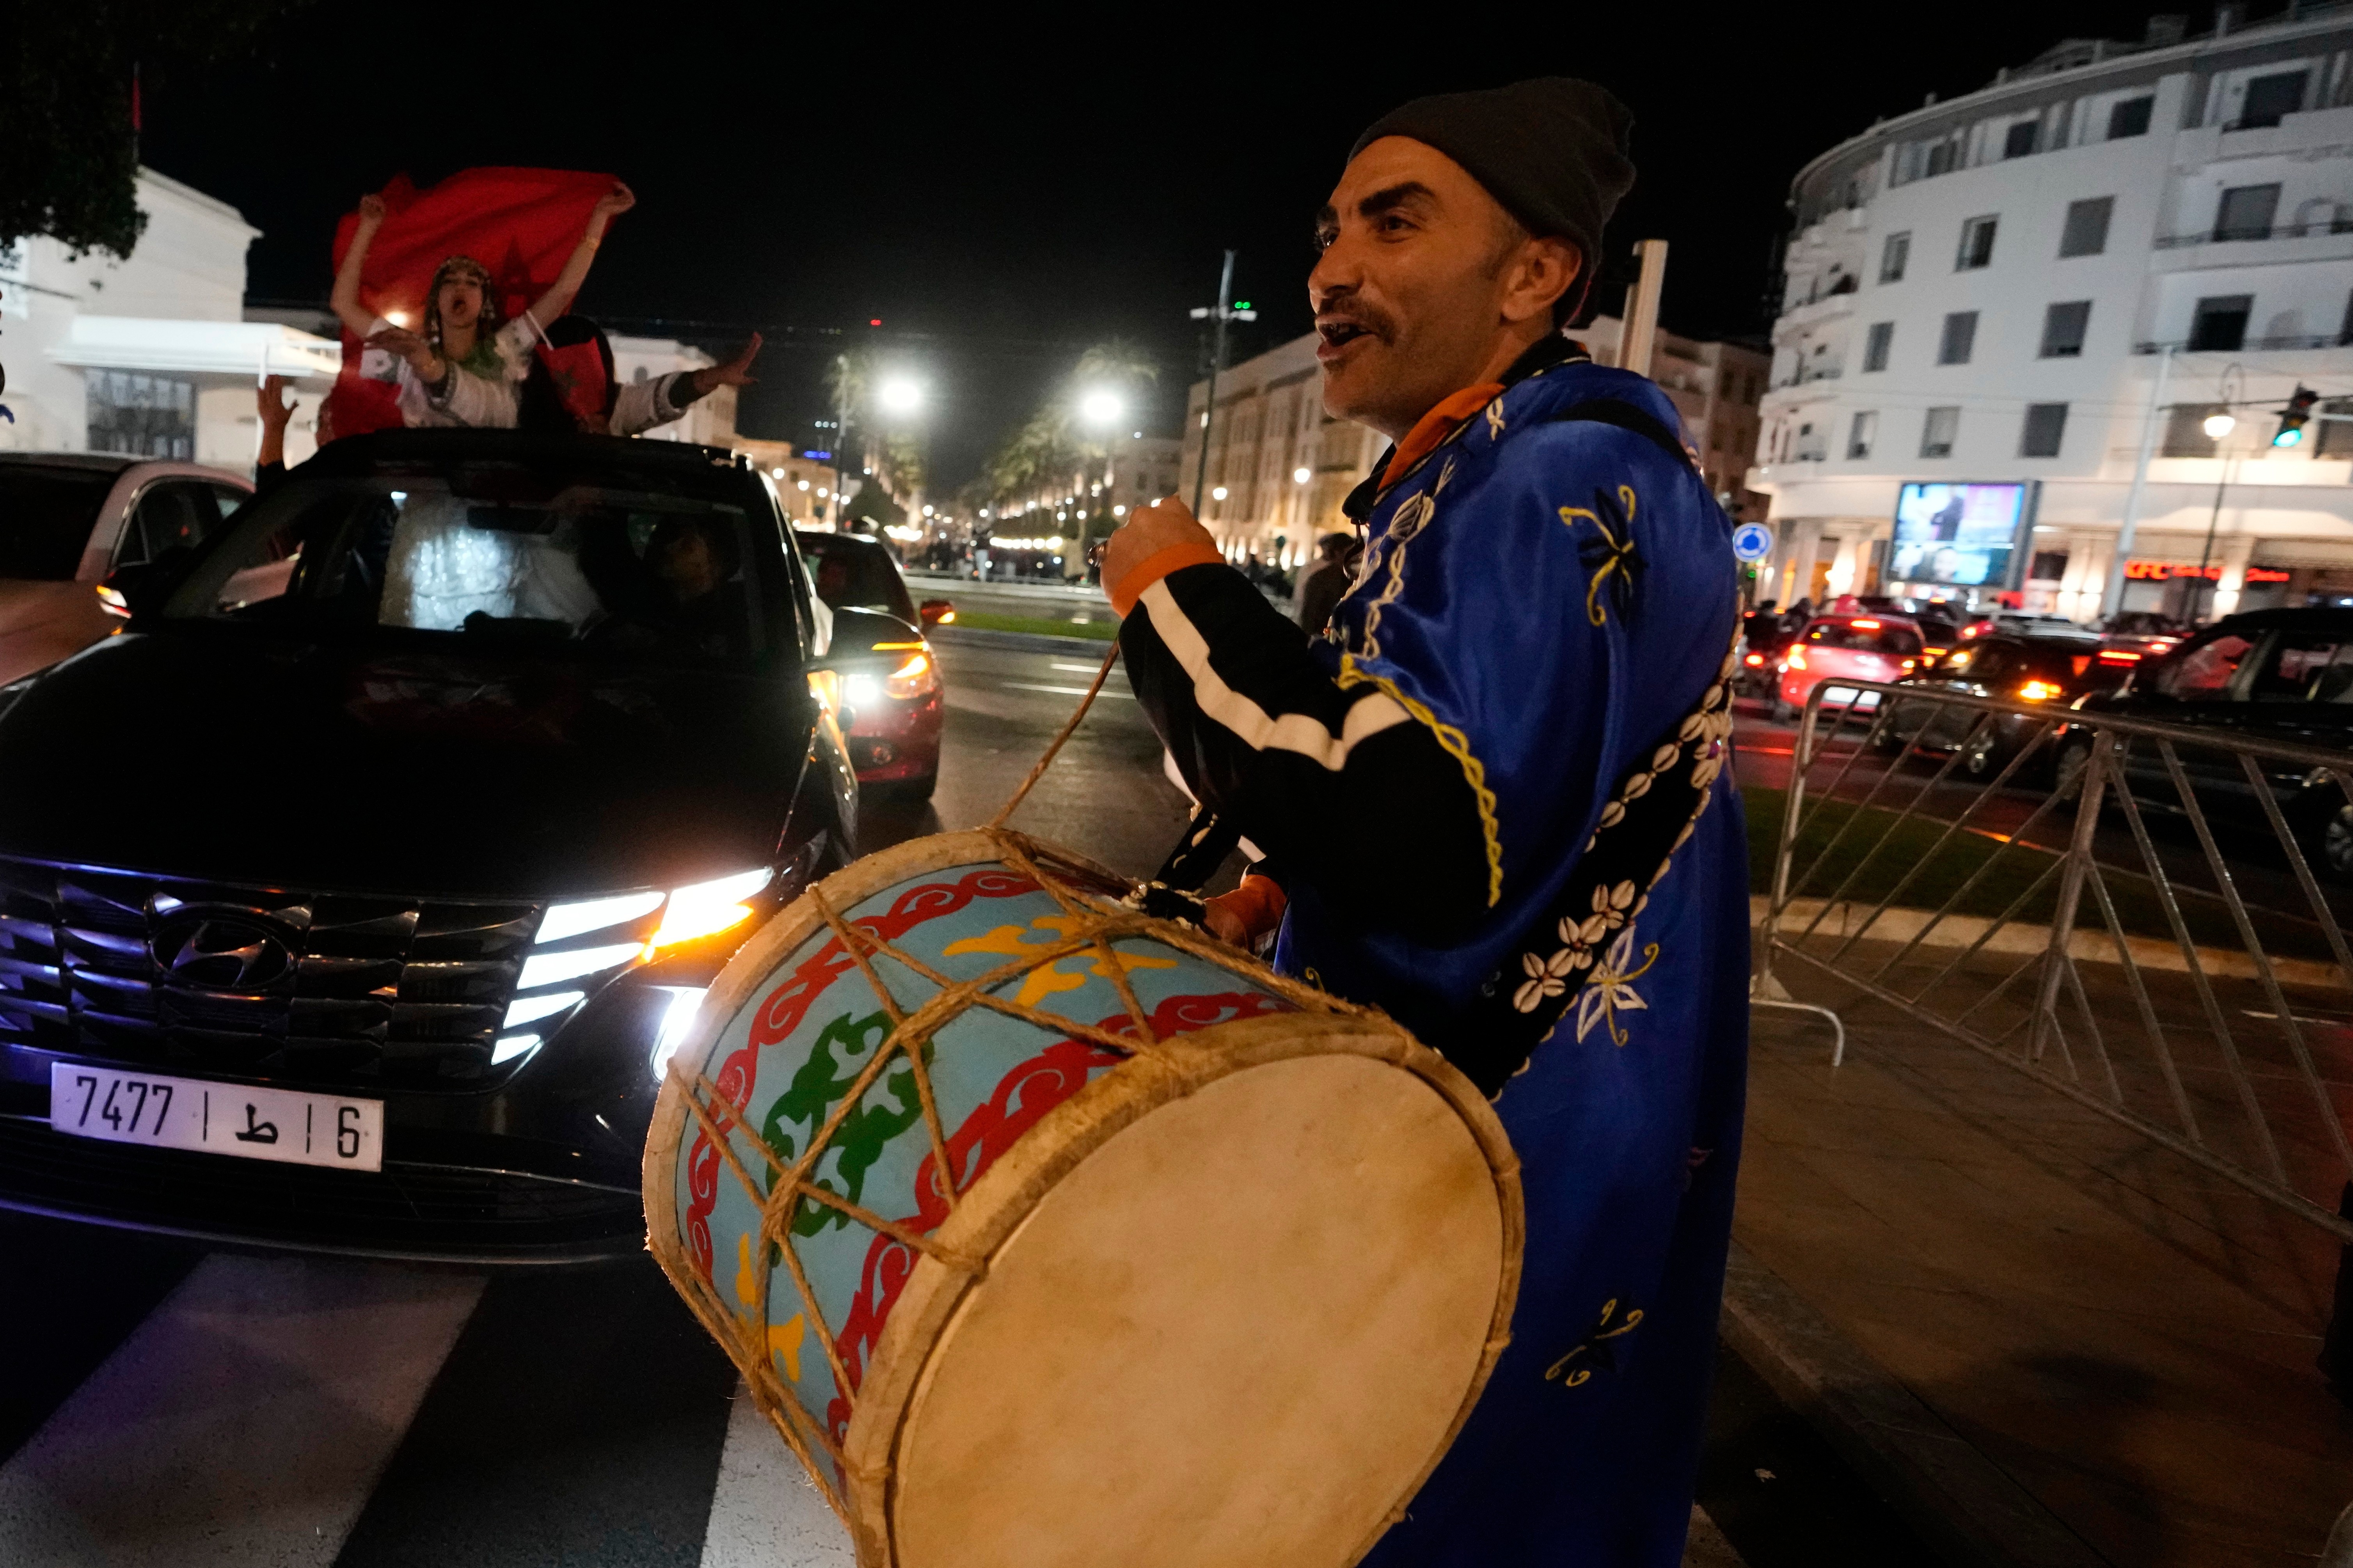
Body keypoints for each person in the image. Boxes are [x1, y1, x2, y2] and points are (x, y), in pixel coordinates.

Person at [1101, 78, 1745, 1566]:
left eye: (1393, 226)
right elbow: (1533, 794)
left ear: (1534, 274)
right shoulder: (1528, 467)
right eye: (1329, 231)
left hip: (1492, 1152)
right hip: (1545, 1132)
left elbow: (1421, 833)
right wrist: (1285, 894)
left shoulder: (1549, 477)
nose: (1331, 272)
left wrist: (1176, 600)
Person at [330, 183, 636, 428]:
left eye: (472, 283)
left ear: (484, 303)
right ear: (436, 299)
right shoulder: (409, 353)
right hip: (429, 484)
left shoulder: (507, 348)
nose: (460, 288)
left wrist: (599, 218)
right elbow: (342, 303)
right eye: (450, 281)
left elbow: (562, 292)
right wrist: (368, 227)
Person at [1295, 529, 1359, 633]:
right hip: (1323, 632)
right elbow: (1310, 613)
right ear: (1338, 553)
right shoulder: (1323, 577)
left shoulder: (1347, 576)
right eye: (1350, 553)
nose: (1353, 558)